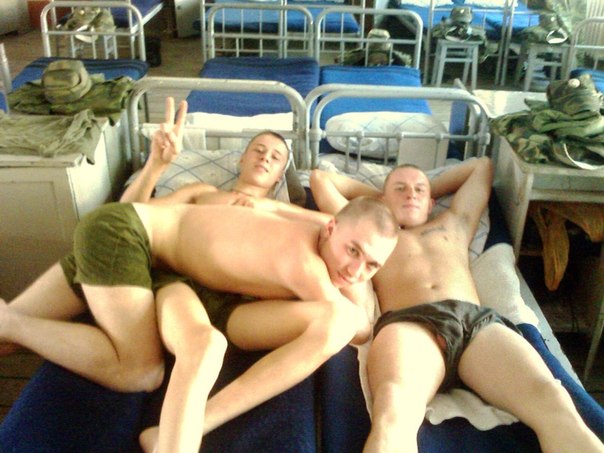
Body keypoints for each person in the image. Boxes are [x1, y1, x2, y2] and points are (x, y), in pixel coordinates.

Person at [0, 171, 399, 453]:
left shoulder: (317, 229)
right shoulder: (304, 263)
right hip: (127, 237)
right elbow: (360, 328)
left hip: (173, 276)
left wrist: (347, 252)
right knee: (140, 370)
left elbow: (326, 228)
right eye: (352, 251)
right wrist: (361, 288)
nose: (354, 270)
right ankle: (12, 322)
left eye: (371, 265)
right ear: (331, 230)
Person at [0, 97, 304, 452]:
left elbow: (320, 245)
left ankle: (10, 322)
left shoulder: (284, 216)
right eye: (258, 150)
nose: (265, 157)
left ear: (281, 175)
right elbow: (129, 214)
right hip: (130, 257)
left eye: (275, 156)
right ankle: (11, 322)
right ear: (240, 159)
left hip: (169, 283)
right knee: (14, 338)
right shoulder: (203, 193)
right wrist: (156, 165)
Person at [310, 159, 604, 453]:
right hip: (410, 326)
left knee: (552, 399)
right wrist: (382, 198)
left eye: (419, 190)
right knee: (394, 413)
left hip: (476, 324)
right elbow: (321, 179)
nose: (411, 194)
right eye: (400, 188)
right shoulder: (372, 238)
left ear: (431, 201)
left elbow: (483, 166)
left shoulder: (455, 222)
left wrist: (422, 191)